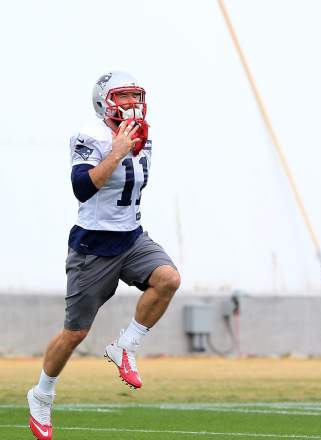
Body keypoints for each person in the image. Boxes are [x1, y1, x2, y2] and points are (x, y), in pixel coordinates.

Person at [26, 71, 181, 440]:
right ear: (104, 102)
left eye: (134, 97)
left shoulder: (145, 135)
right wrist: (116, 153)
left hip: (131, 237)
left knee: (168, 279)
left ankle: (125, 345)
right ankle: (42, 394)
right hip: (93, 246)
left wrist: (128, 149)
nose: (131, 104)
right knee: (74, 333)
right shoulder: (90, 135)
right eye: (122, 97)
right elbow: (82, 187)